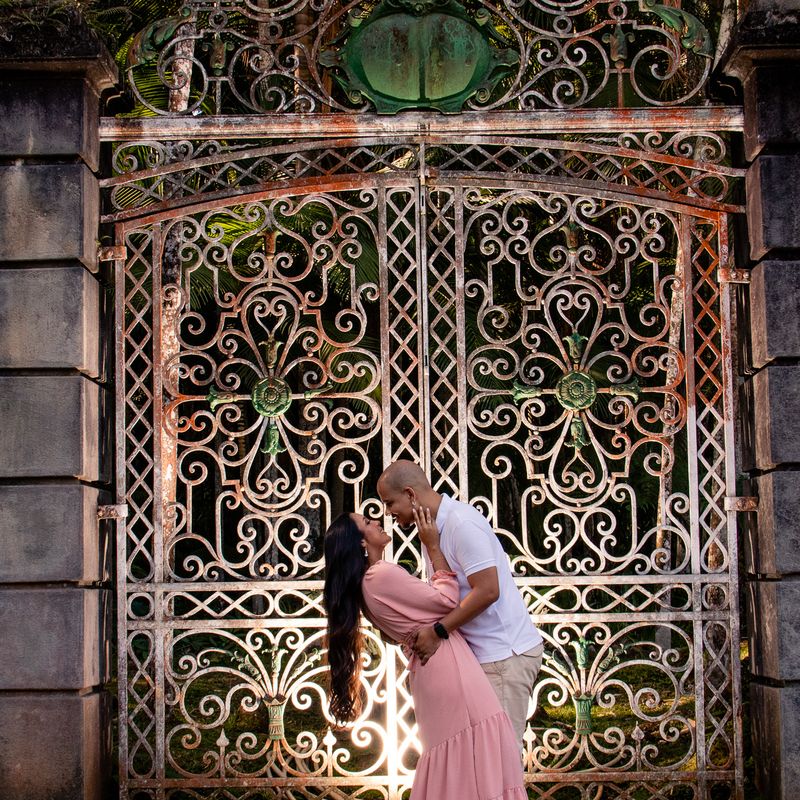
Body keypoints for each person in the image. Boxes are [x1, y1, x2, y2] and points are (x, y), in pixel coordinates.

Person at [323, 508, 527, 800]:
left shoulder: (366, 587)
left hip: (433, 668)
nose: (378, 521)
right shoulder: (379, 575)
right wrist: (433, 545)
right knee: (479, 758)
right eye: (367, 523)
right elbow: (446, 601)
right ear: (360, 543)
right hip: (448, 666)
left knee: (462, 765)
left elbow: (400, 629)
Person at [377, 460, 544, 743]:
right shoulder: (431, 530)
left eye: (390, 502)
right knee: (481, 760)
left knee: (500, 760)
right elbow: (447, 595)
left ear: (410, 494)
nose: (388, 512)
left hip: (503, 655)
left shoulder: (460, 524)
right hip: (484, 657)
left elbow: (489, 590)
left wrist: (438, 631)